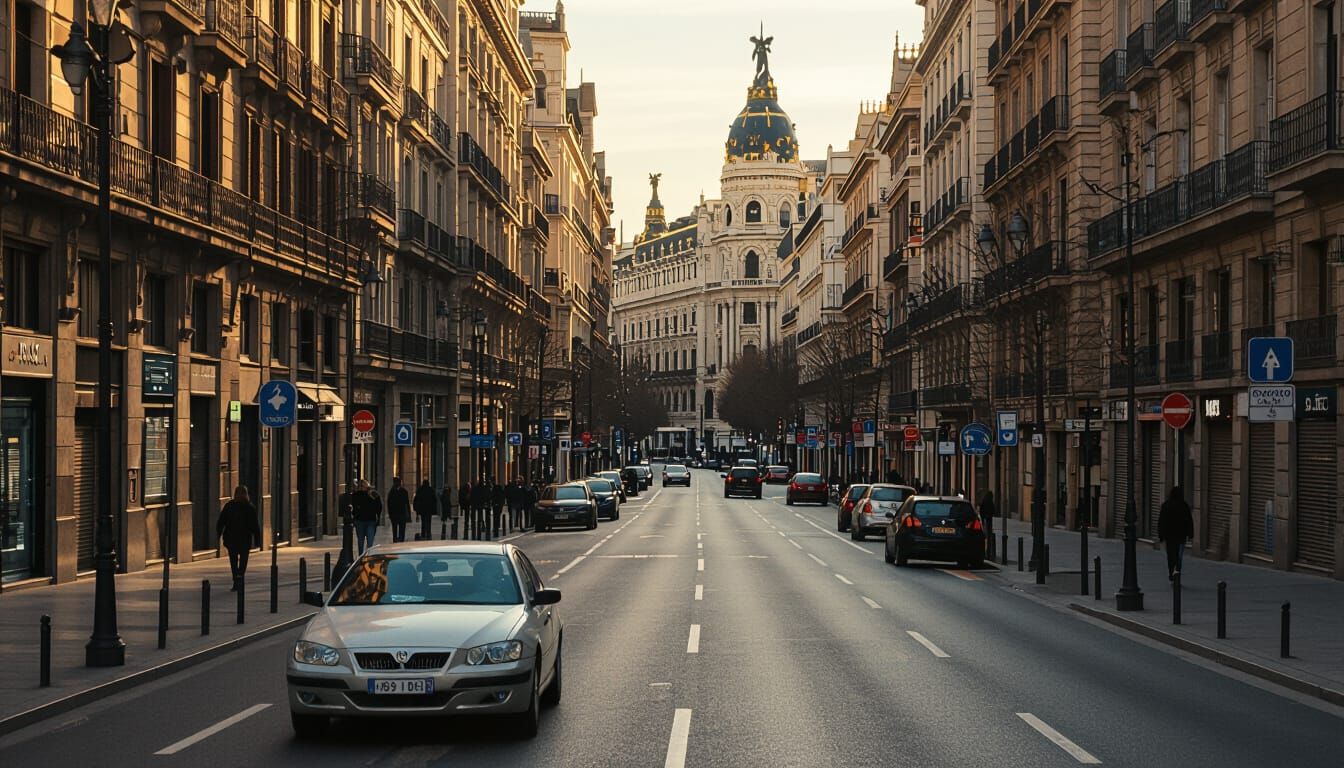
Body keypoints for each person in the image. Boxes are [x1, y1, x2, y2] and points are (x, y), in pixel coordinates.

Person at [217, 485, 261, 591]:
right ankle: (240, 576)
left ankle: (236, 578)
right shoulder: (250, 507)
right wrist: (257, 539)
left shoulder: (229, 506)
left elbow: (221, 521)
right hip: (245, 539)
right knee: (243, 560)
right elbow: (255, 525)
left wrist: (219, 533)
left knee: (233, 559)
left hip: (231, 538)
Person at [1158, 486, 1194, 580]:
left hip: (1169, 536)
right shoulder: (1184, 505)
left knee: (1170, 555)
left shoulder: (1166, 505)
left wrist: (1161, 535)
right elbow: (1189, 520)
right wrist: (1190, 534)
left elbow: (1161, 521)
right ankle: (1177, 571)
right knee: (1179, 555)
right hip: (1181, 535)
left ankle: (1171, 572)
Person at [351, 480, 381, 553]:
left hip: (362, 520)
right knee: (368, 541)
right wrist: (377, 515)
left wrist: (355, 515)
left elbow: (353, 507)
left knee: (361, 541)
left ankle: (362, 555)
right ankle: (367, 555)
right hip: (369, 520)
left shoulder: (356, 495)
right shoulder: (373, 494)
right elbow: (379, 507)